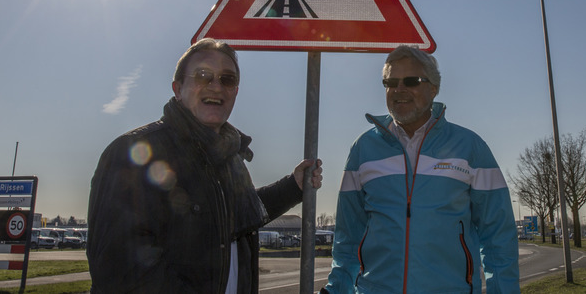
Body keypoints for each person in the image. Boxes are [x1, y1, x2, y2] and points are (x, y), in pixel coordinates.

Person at [87, 38, 323, 293]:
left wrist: (293, 186)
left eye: (227, 79)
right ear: (178, 89)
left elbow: (241, 214)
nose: (216, 86)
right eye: (202, 75)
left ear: (235, 92)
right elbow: (120, 271)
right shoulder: (133, 153)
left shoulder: (230, 157)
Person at [321, 45, 519, 294]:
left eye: (411, 81)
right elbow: (347, 239)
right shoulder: (363, 149)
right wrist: (337, 289)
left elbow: (498, 238)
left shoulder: (471, 148)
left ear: (434, 88)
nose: (399, 89)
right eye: (391, 82)